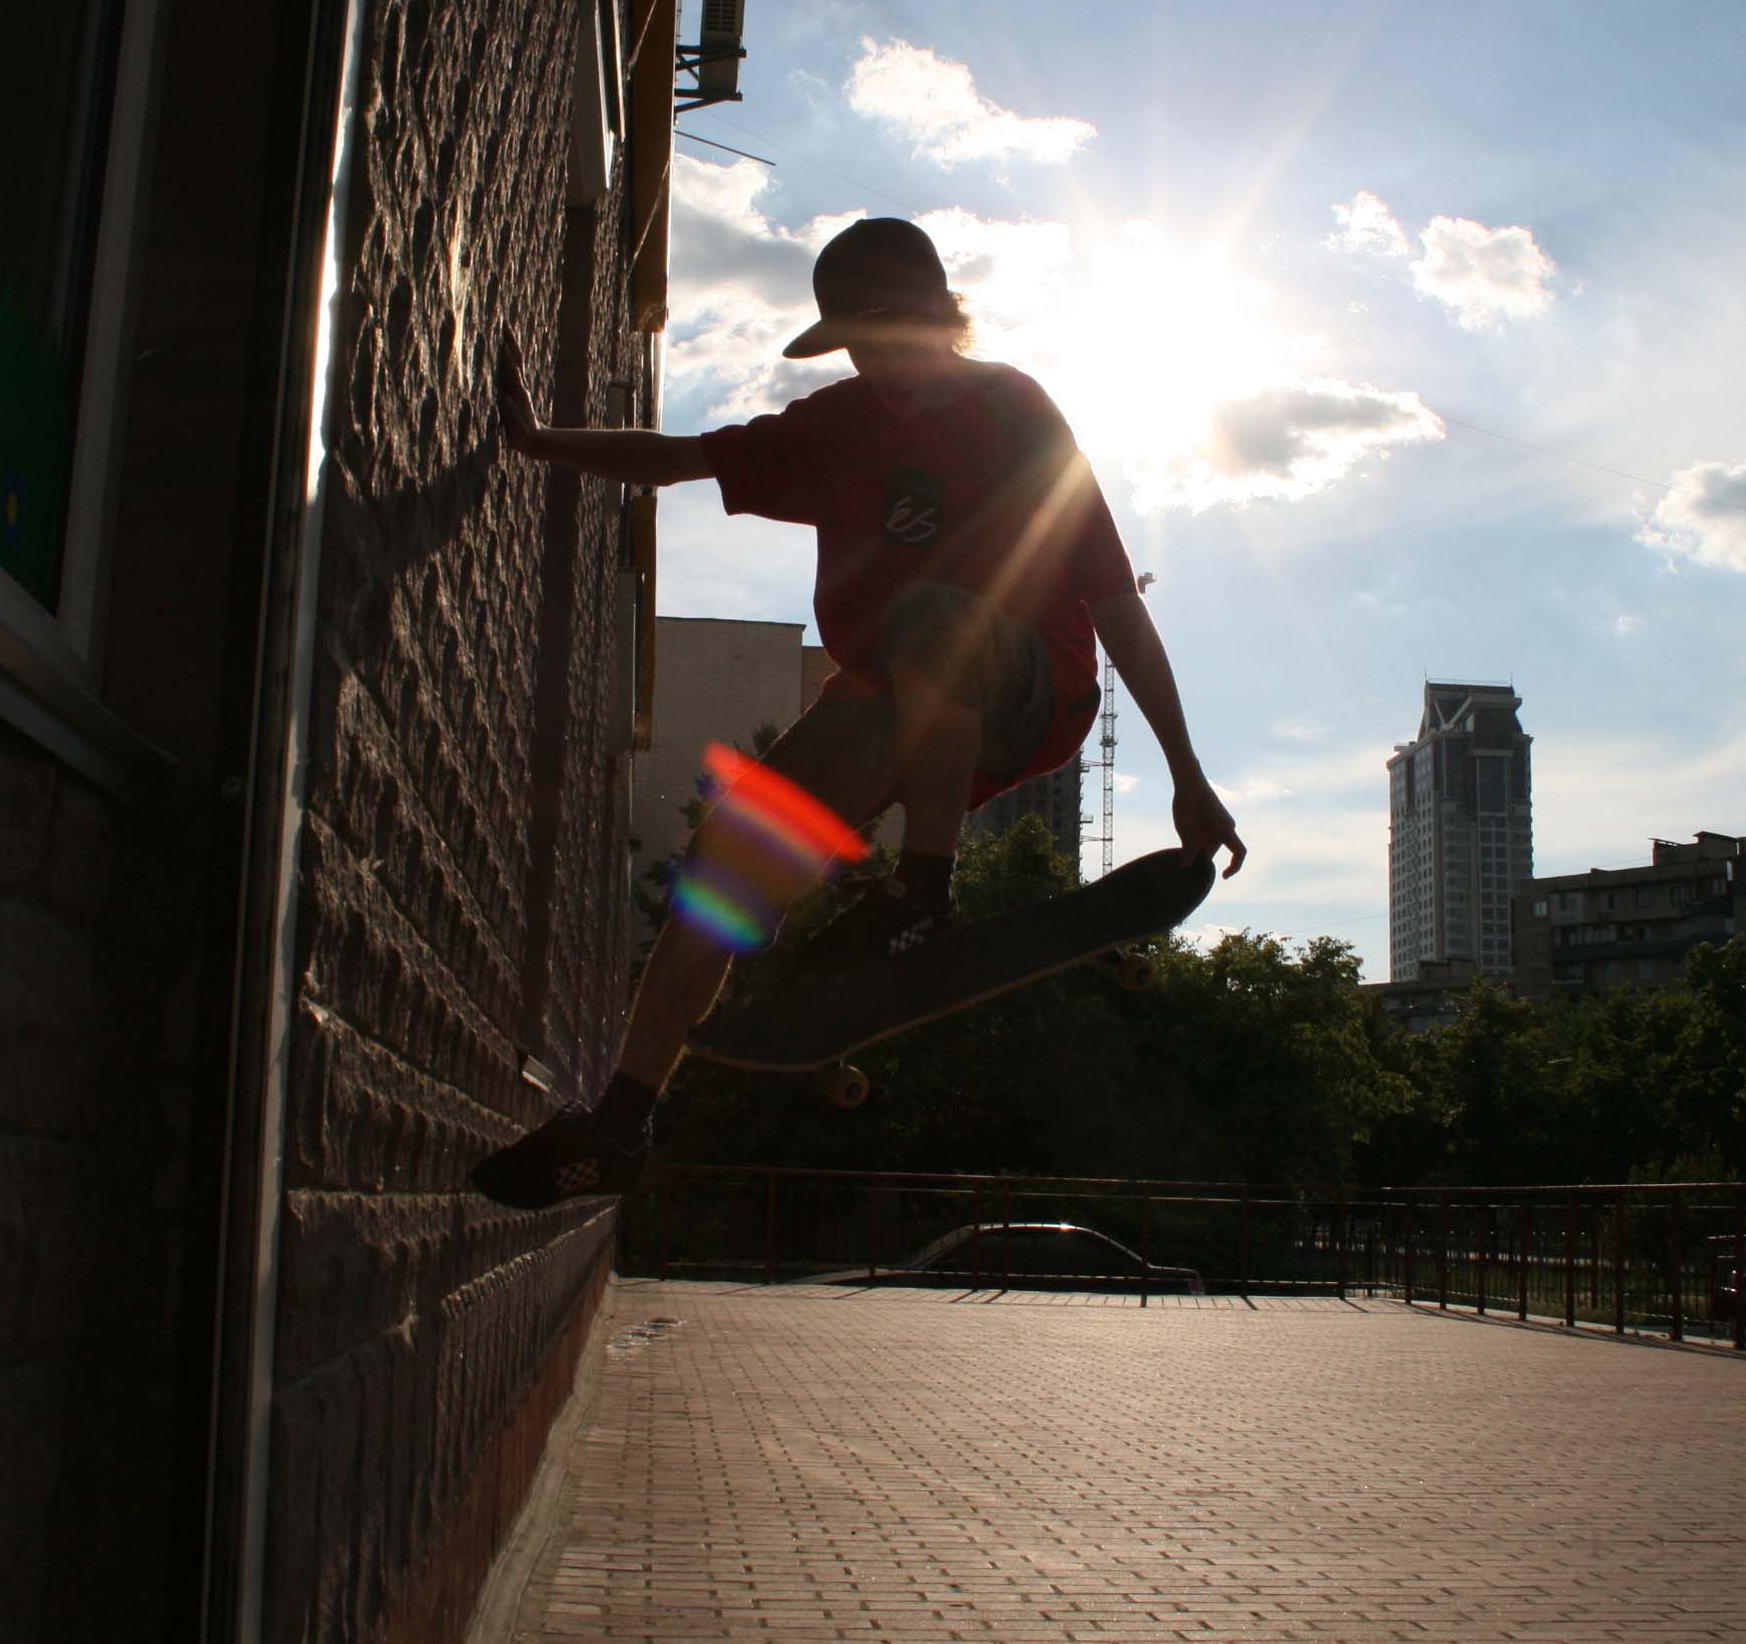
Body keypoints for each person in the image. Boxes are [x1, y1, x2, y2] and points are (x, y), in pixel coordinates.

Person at [472, 217, 1245, 1208]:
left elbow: (1115, 599)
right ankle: (622, 1120)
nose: (890, 369)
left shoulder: (1016, 410)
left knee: (933, 619)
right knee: (721, 872)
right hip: (891, 702)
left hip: (1030, 685)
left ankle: (921, 895)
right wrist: (539, 441)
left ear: (946, 319)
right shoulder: (831, 425)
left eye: (906, 341)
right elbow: (679, 460)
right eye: (867, 348)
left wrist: (1184, 771)